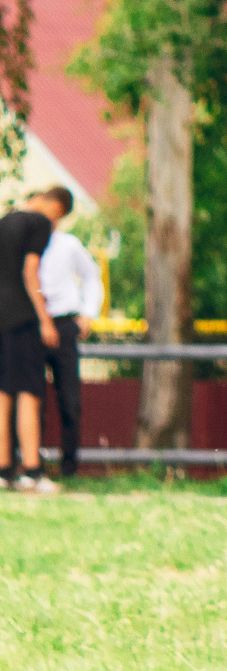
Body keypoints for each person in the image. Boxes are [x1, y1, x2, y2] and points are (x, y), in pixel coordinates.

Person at [30, 187, 100, 478]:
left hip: (63, 323)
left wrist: (89, 312)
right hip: (31, 325)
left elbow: (91, 276)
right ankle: (33, 463)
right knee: (33, 399)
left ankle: (69, 466)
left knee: (69, 399)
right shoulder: (24, 247)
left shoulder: (68, 245)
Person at [0, 189, 56, 492]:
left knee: (2, 395)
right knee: (28, 394)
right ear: (56, 208)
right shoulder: (40, 222)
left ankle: (4, 470)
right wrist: (45, 320)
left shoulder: (4, 222)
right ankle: (32, 471)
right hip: (22, 318)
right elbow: (30, 270)